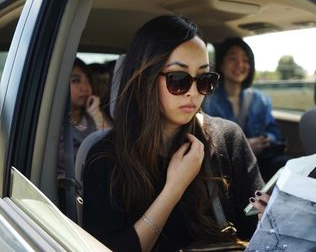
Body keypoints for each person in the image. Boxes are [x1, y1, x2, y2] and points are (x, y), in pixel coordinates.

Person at [83, 15, 266, 252]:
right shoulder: (106, 158)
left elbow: (254, 231)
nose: (193, 92)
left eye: (204, 80)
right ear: (146, 78)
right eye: (178, 79)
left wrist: (269, 219)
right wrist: (174, 189)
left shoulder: (228, 139)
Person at [202, 37, 288, 181]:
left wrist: (265, 140)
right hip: (226, 168)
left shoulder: (260, 100)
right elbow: (207, 142)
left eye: (246, 60)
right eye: (233, 58)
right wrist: (243, 147)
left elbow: (274, 131)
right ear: (221, 64)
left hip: (260, 162)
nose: (240, 64)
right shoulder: (208, 101)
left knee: (286, 164)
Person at [57, 58, 111, 208]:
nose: (85, 88)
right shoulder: (51, 123)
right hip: (67, 197)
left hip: (99, 191)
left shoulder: (92, 116)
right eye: (76, 81)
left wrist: (96, 113)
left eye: (88, 81)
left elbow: (113, 148)